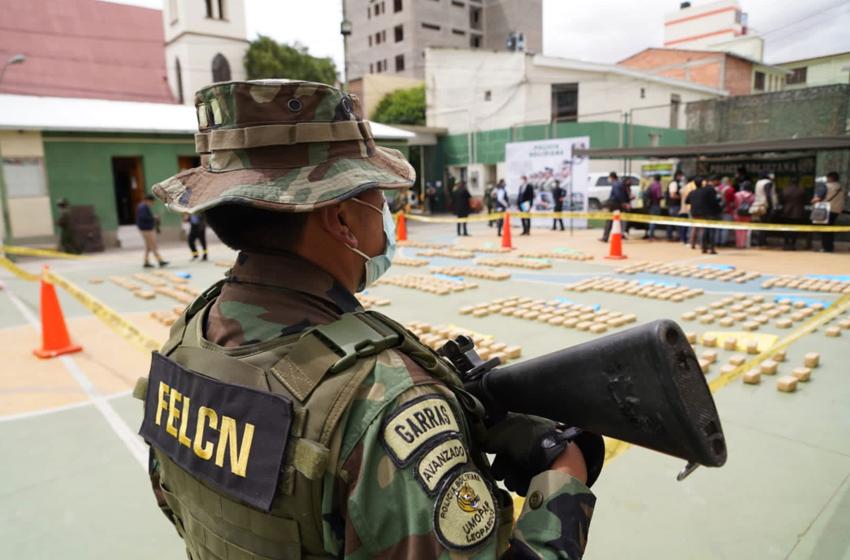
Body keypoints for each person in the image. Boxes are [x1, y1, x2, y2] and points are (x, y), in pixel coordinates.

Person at [139, 79, 600, 559]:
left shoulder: (187, 341)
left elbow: (173, 501)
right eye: (380, 197)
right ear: (341, 219)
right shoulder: (382, 398)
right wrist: (565, 476)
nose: (387, 211)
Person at [686, 177, 721, 254]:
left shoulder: (693, 192)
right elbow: (714, 202)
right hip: (708, 213)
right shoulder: (707, 191)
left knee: (699, 229)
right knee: (710, 230)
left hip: (695, 213)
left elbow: (687, 201)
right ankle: (711, 248)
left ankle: (702, 247)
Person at [813, 172, 845, 253]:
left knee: (825, 229)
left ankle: (826, 247)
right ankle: (830, 247)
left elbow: (818, 198)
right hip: (837, 210)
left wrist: (813, 201)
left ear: (830, 178)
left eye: (827, 178)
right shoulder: (841, 187)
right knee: (830, 228)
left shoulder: (826, 186)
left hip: (826, 210)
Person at [136, 193, 168, 268]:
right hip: (146, 229)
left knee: (148, 246)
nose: (153, 203)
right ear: (147, 200)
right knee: (153, 245)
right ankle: (160, 261)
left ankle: (146, 261)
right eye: (152, 201)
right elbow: (143, 217)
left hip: (146, 228)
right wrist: (154, 217)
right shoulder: (142, 207)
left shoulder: (143, 206)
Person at [601, 172, 631, 242]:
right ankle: (620, 236)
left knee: (609, 220)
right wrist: (625, 202)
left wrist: (623, 202)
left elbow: (617, 194)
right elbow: (625, 194)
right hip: (619, 204)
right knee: (618, 220)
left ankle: (605, 237)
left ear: (612, 177)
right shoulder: (620, 183)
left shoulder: (615, 184)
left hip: (614, 204)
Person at [751, 172, 778, 247]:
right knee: (765, 224)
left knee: (762, 224)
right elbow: (768, 195)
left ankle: (761, 241)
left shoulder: (758, 182)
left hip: (758, 205)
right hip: (766, 206)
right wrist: (772, 206)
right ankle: (762, 242)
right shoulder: (768, 182)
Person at [781, 179, 806, 251]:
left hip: (786, 211)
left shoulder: (785, 190)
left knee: (786, 228)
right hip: (798, 212)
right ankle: (793, 244)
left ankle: (786, 243)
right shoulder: (801, 190)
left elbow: (781, 200)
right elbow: (805, 200)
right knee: (795, 229)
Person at [732, 181, 755, 249]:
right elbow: (753, 205)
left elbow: (734, 204)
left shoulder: (737, 194)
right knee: (745, 230)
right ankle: (744, 244)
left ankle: (739, 244)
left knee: (738, 230)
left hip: (738, 214)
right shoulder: (752, 195)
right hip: (747, 214)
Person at [716, 176, 736, 246]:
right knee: (725, 227)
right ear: (728, 182)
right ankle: (723, 242)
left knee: (717, 227)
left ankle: (716, 241)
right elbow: (733, 201)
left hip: (717, 210)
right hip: (727, 210)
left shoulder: (717, 188)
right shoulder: (730, 189)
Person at [643, 174, 663, 240]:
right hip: (655, 204)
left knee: (651, 220)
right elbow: (659, 196)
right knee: (653, 220)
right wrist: (663, 196)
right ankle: (651, 235)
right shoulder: (658, 186)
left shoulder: (651, 185)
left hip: (650, 205)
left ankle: (650, 235)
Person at [666, 170, 684, 242]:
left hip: (674, 206)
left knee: (673, 221)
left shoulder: (676, 183)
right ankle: (672, 236)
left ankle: (672, 236)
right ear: (678, 176)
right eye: (681, 176)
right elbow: (672, 195)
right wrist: (682, 197)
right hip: (674, 206)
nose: (682, 177)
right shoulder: (674, 183)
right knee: (675, 222)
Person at [680, 176, 698, 246]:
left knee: (686, 225)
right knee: (692, 226)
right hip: (692, 208)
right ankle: (690, 240)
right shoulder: (693, 187)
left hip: (685, 208)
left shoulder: (684, 187)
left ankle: (685, 240)